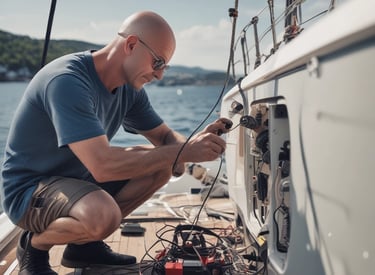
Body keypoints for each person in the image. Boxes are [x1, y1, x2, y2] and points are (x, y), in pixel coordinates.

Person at [0, 11, 232, 275]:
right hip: (30, 192)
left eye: (164, 67)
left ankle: (84, 246)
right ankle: (34, 246)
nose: (159, 76)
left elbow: (166, 139)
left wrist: (194, 144)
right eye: (157, 62)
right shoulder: (67, 81)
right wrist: (182, 151)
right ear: (131, 45)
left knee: (160, 166)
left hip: (75, 182)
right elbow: (103, 166)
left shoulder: (129, 90)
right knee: (104, 215)